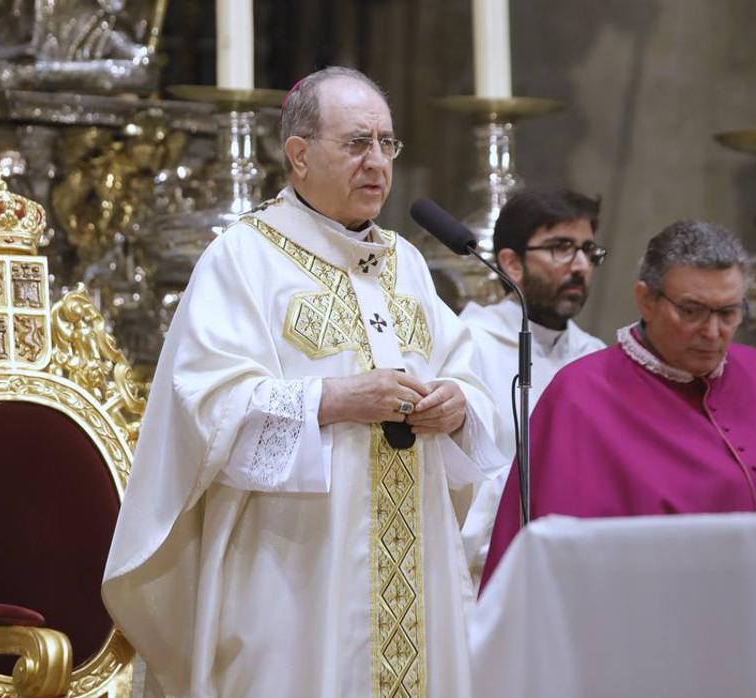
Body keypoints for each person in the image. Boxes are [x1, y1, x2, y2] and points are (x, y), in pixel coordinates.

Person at [101, 66, 504, 698]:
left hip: (414, 563)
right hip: (293, 569)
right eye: (356, 143)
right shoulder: (244, 257)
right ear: (298, 155)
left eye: (387, 144)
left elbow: (465, 373)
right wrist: (333, 399)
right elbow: (202, 404)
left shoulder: (406, 265)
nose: (377, 162)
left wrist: (458, 404)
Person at [480, 220, 756, 588]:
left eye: (728, 313)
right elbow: (553, 570)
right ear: (646, 300)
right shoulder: (580, 394)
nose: (712, 332)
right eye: (691, 311)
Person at [458, 188, 607, 582]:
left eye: (588, 251)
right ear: (511, 262)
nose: (580, 266)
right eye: (561, 248)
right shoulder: (466, 347)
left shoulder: (597, 357)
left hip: (582, 568)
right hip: (489, 574)